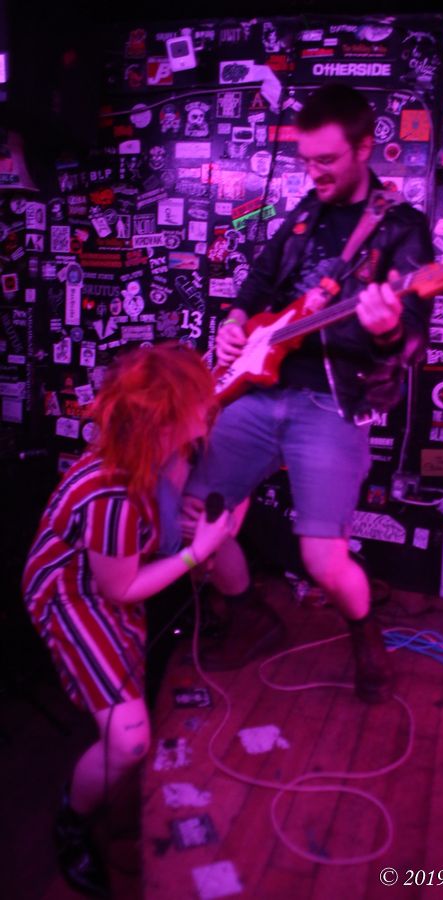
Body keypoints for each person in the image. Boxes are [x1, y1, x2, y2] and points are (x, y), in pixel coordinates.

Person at [162, 83, 434, 705]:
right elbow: (260, 280)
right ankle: (249, 614)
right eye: (307, 161)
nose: (315, 173)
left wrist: (388, 327)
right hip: (257, 391)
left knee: (321, 559)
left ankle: (365, 634)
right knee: (193, 518)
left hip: (331, 402)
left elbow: (413, 338)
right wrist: (236, 322)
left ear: (364, 148)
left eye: (328, 161)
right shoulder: (307, 210)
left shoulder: (401, 228)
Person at [22, 343, 234, 898]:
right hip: (72, 593)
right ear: (164, 419)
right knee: (130, 740)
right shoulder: (111, 492)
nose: (209, 404)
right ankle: (72, 823)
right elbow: (118, 589)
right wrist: (196, 552)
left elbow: (154, 527)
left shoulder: (162, 451)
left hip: (111, 577)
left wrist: (185, 523)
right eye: (198, 399)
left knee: (131, 712)